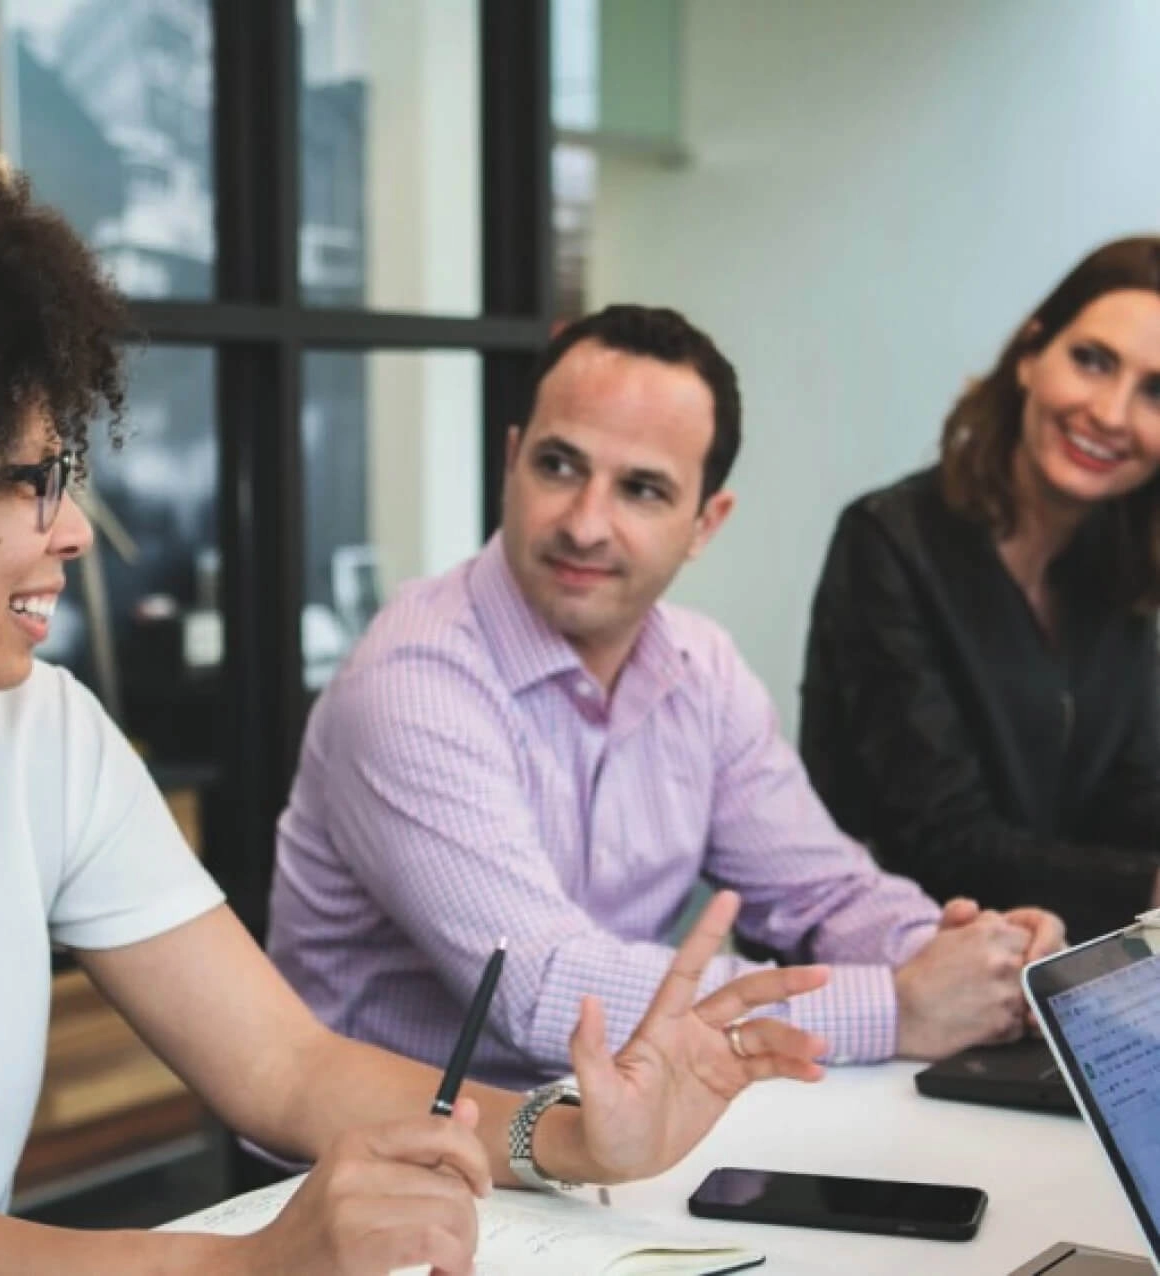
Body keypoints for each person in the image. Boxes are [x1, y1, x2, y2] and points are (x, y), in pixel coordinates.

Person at [0, 138, 834, 1276]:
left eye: (64, 475)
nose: (73, 530)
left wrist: (561, 1137)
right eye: (32, 479)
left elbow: (283, 1066)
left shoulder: (44, 734)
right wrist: (238, 1267)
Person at [269, 304, 1065, 1094]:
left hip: (605, 1126)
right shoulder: (411, 682)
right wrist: (895, 1006)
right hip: (386, 1156)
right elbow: (540, 990)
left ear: (704, 523)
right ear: (512, 462)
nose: (585, 524)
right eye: (558, 466)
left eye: (642, 489)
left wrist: (969, 959)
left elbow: (822, 894)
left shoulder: (701, 667)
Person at [801, 237, 1160, 944]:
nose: (1112, 414)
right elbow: (940, 838)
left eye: (1156, 392)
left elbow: (1131, 798)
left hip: (1056, 969)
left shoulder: (1122, 568)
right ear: (1030, 355)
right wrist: (1147, 885)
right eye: (1092, 361)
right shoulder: (889, 541)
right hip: (892, 977)